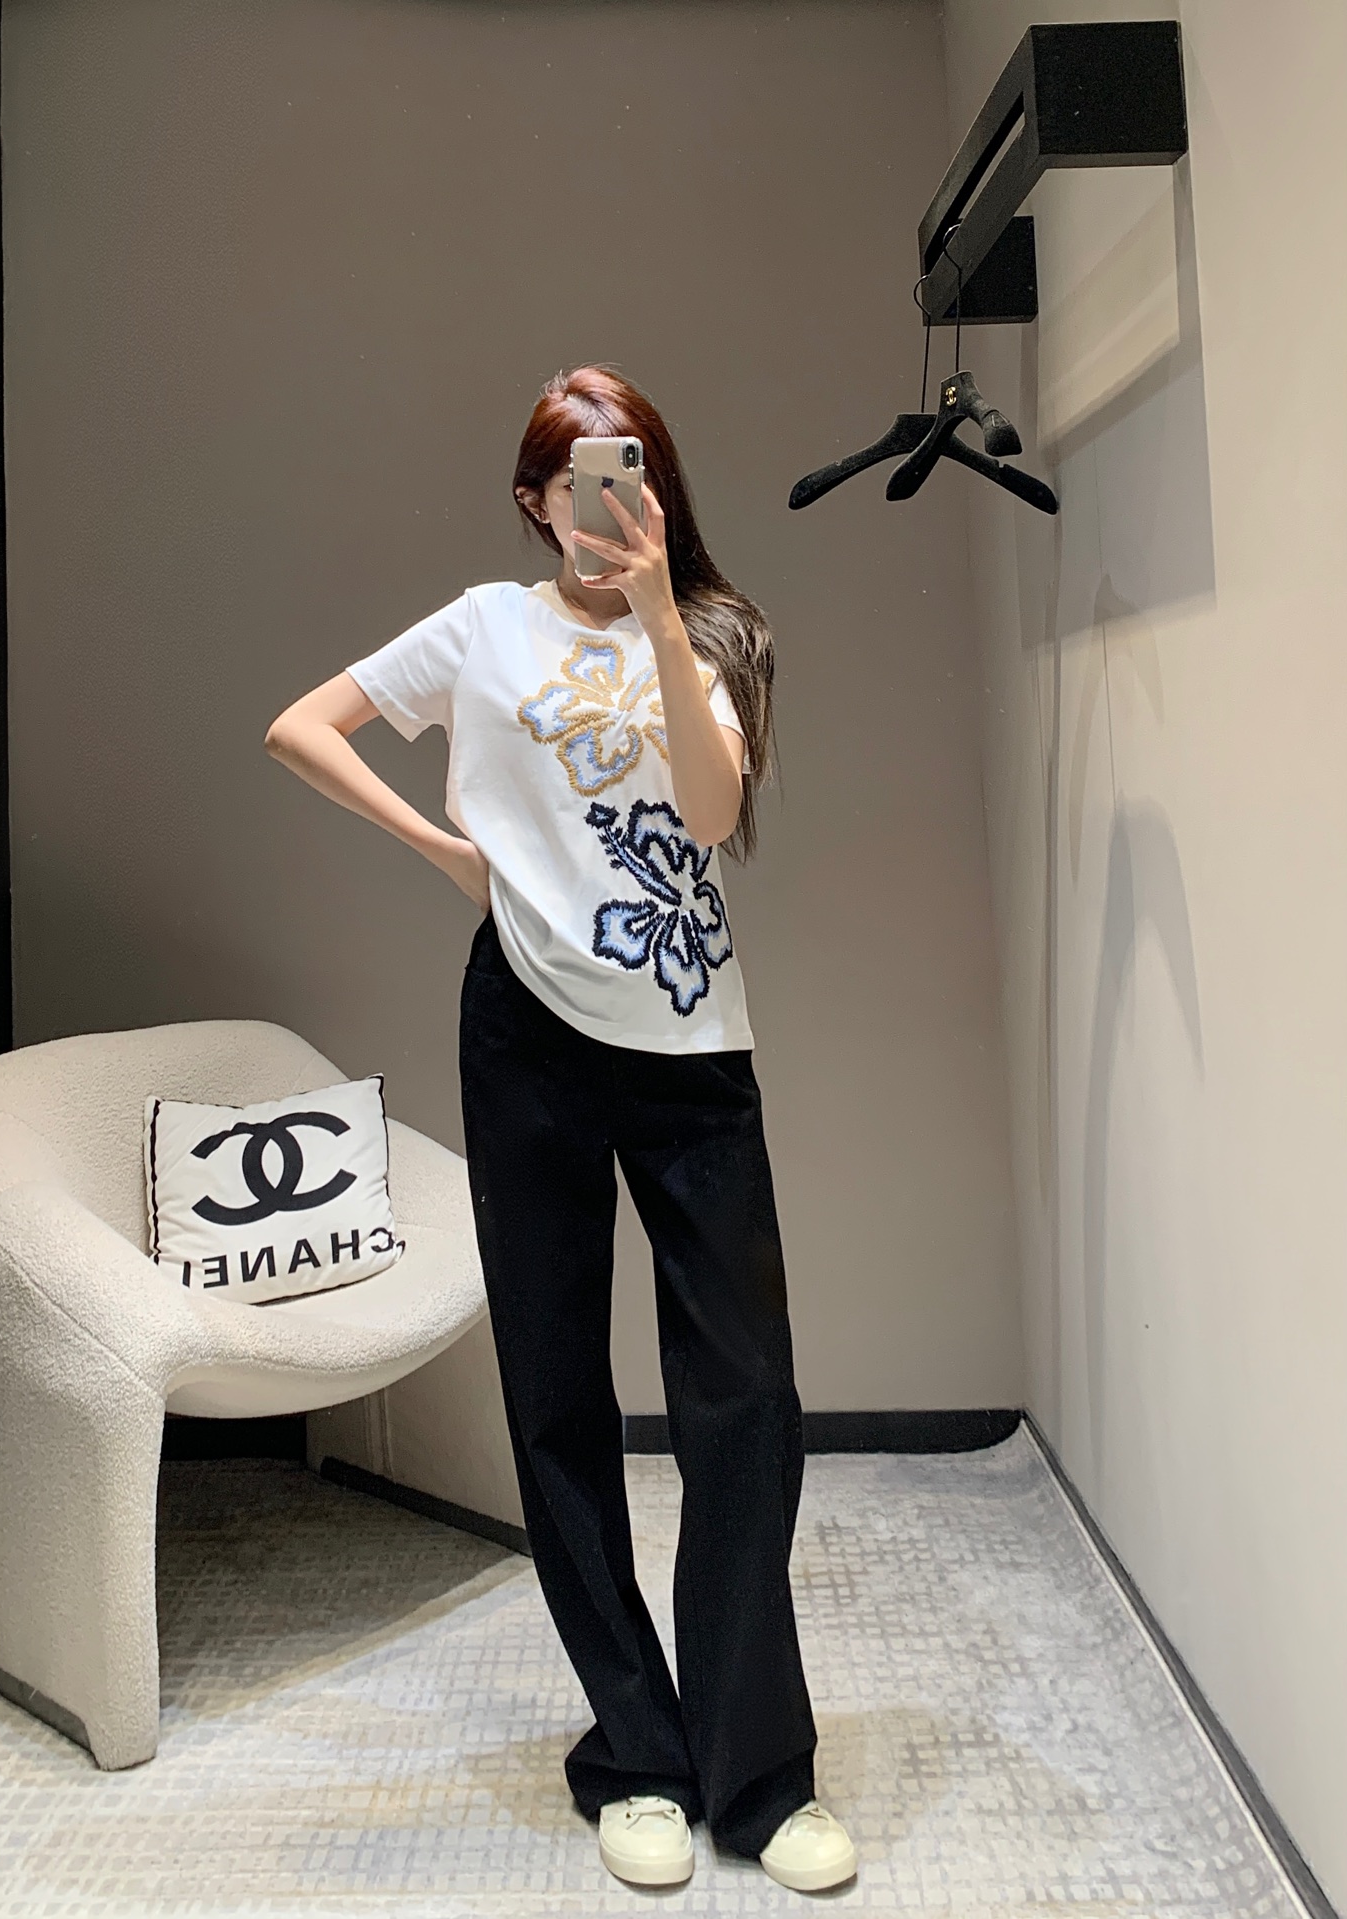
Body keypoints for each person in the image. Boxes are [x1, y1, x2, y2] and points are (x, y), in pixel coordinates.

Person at [265, 365, 856, 1894]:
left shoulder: (718, 632)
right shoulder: (481, 627)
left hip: (690, 1040)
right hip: (525, 1027)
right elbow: (301, 728)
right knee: (556, 1397)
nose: (613, 495)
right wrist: (445, 849)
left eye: (635, 465)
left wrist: (656, 611)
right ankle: (638, 1755)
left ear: (657, 484)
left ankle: (762, 1772)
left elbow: (711, 818)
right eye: (583, 473)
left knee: (746, 1399)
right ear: (537, 501)